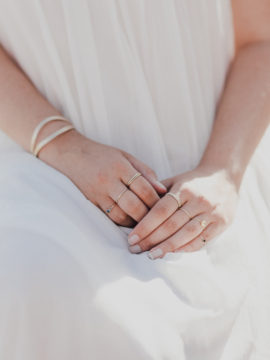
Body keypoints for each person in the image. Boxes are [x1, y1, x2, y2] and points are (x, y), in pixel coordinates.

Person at [0, 0, 269, 359]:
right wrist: (60, 143)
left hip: (207, 171)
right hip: (40, 155)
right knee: (36, 279)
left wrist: (223, 172)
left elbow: (261, 39)